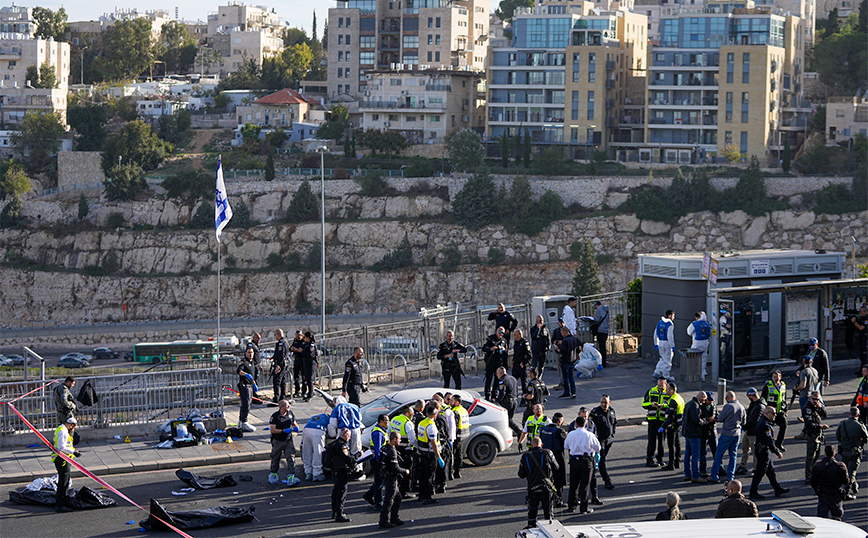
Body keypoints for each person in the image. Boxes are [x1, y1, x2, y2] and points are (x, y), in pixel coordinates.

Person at [749, 406, 790, 500]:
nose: (775, 415)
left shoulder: (764, 422)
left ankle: (777, 489)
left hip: (763, 450)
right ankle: (753, 492)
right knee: (759, 473)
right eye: (773, 413)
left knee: (771, 471)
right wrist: (777, 452)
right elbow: (769, 441)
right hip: (763, 452)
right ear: (767, 413)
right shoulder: (765, 425)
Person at [518, 436, 559, 529]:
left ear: (531, 445)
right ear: (542, 444)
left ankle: (531, 528)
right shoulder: (548, 453)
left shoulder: (525, 456)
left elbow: (521, 474)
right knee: (548, 512)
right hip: (546, 488)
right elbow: (556, 467)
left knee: (532, 511)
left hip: (532, 488)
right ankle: (549, 529)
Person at [564, 415, 600, 514]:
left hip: (574, 461)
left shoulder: (571, 434)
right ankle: (584, 508)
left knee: (573, 484)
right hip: (586, 461)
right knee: (585, 485)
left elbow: (566, 446)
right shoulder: (589, 435)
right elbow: (597, 448)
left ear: (576, 424)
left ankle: (572, 506)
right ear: (585, 424)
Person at [710, 391, 745, 484]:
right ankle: (730, 476)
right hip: (737, 433)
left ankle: (714, 475)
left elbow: (720, 418)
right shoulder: (741, 407)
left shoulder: (728, 406)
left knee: (719, 454)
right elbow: (744, 421)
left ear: (728, 398)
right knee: (733, 455)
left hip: (727, 434)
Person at [379, 431, 409, 529]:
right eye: (399, 439)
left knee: (398, 497)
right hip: (391, 478)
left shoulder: (384, 448)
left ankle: (394, 518)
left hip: (386, 475)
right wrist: (405, 471)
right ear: (395, 439)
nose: (400, 441)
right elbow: (395, 468)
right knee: (389, 500)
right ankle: (383, 520)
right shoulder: (392, 451)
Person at [836, 407, 867, 500]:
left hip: (844, 451)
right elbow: (866, 439)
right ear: (858, 415)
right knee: (851, 473)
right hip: (854, 452)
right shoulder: (860, 425)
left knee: (846, 471)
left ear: (849, 414)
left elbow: (838, 436)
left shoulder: (843, 424)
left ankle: (853, 486)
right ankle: (846, 492)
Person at [811, 445, 849, 520]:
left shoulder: (817, 466)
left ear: (825, 453)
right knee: (837, 518)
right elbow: (846, 481)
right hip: (835, 495)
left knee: (822, 519)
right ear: (834, 453)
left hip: (823, 494)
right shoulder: (840, 466)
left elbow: (812, 482)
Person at [52, 417, 81, 513]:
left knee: (65, 481)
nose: (73, 429)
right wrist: (74, 452)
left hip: (63, 459)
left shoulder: (61, 429)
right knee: (63, 483)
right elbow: (61, 447)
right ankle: (60, 505)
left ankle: (62, 502)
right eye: (74, 427)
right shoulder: (63, 431)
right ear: (71, 425)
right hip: (62, 460)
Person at [735, 388, 766, 476]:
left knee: (755, 452)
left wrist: (743, 426)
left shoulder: (760, 406)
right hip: (749, 431)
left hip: (754, 432)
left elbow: (754, 420)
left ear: (751, 396)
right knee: (745, 449)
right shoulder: (754, 404)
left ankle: (756, 469)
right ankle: (743, 465)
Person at [268, 399, 299, 486]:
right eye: (287, 405)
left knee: (291, 457)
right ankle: (273, 474)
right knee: (275, 457)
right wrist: (283, 430)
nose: (289, 406)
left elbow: (294, 423)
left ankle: (291, 476)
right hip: (278, 441)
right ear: (281, 407)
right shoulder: (275, 416)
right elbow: (273, 429)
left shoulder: (290, 414)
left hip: (288, 440)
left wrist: (296, 427)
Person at [416, 405, 443, 505]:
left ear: (427, 414)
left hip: (422, 452)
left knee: (422, 474)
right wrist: (438, 457)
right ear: (435, 415)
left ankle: (421, 495)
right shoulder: (431, 426)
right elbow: (433, 443)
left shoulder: (422, 423)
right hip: (430, 454)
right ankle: (428, 497)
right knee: (429, 476)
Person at [389, 406, 417, 497]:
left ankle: (397, 490)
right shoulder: (407, 423)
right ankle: (403, 492)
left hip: (395, 449)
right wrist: (417, 447)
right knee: (405, 471)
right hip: (406, 450)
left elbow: (389, 432)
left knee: (397, 471)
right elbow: (412, 439)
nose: (413, 416)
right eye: (412, 414)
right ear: (407, 413)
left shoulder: (394, 419)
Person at [540, 412, 567, 506]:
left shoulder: (544, 429)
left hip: (545, 455)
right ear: (559, 421)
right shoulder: (559, 431)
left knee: (547, 478)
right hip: (557, 456)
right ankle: (558, 500)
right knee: (559, 479)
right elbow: (566, 444)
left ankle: (547, 499)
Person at [590, 395, 616, 489]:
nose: (603, 404)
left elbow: (614, 423)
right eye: (602, 402)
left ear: (609, 402)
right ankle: (607, 481)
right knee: (602, 461)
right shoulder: (595, 412)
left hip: (609, 440)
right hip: (600, 440)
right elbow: (590, 426)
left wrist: (612, 435)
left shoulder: (612, 411)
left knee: (602, 459)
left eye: (605, 402)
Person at [642, 377, 670, 468]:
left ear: (666, 384)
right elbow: (644, 404)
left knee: (661, 441)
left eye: (662, 386)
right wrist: (651, 404)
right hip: (652, 420)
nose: (660, 387)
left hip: (662, 420)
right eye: (659, 385)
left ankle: (660, 459)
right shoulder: (651, 391)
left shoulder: (668, 392)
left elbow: (671, 405)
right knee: (652, 441)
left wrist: (663, 406)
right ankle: (649, 459)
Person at [802, 390, 829, 484]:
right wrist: (820, 426)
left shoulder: (817, 406)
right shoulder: (807, 408)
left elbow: (825, 415)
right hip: (811, 434)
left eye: (817, 399)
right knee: (810, 456)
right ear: (810, 398)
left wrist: (821, 408)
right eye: (814, 399)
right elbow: (809, 423)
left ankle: (812, 472)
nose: (815, 401)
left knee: (817, 455)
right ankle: (808, 476)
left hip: (818, 433)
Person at [682, 391, 708, 484]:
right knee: (695, 456)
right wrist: (704, 422)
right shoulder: (695, 405)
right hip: (694, 433)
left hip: (687, 433)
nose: (704, 401)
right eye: (704, 399)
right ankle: (695, 476)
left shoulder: (689, 403)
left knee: (687, 454)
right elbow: (696, 419)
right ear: (701, 397)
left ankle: (687, 474)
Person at [364, 414, 389, 510]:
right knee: (379, 481)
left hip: (378, 459)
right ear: (381, 421)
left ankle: (369, 494)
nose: (388, 422)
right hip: (377, 460)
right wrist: (381, 462)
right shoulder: (378, 433)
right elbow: (378, 450)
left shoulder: (381, 431)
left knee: (379, 480)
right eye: (386, 421)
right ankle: (378, 503)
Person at [330, 428, 356, 522]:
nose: (349, 438)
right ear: (344, 435)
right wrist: (356, 457)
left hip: (335, 470)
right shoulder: (342, 445)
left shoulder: (334, 443)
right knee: (341, 492)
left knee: (336, 491)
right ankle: (339, 513)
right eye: (349, 436)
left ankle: (334, 511)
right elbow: (347, 458)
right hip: (341, 470)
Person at [761, 370, 789, 451]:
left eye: (777, 377)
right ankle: (766, 445)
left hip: (780, 411)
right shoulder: (768, 385)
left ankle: (778, 444)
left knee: (784, 425)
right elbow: (763, 397)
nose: (776, 378)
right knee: (768, 429)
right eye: (774, 377)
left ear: (780, 377)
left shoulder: (783, 385)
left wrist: (785, 408)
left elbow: (784, 397)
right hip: (770, 412)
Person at [660, 382, 684, 471]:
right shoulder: (679, 398)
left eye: (667, 389)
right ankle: (677, 462)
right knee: (677, 444)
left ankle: (671, 464)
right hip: (678, 425)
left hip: (672, 426)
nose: (666, 390)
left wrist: (663, 426)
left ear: (672, 390)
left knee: (671, 445)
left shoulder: (673, 400)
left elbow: (671, 416)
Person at [482, 327, 509, 400]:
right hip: (490, 361)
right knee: (489, 379)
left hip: (499, 362)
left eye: (502, 333)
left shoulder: (504, 341)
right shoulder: (490, 339)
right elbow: (484, 348)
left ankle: (494, 395)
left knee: (497, 379)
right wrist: (491, 349)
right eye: (500, 332)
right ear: (497, 331)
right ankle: (487, 396)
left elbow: (506, 351)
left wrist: (504, 349)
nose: (501, 334)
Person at [301, 411, 329, 482]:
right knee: (318, 452)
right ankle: (317, 473)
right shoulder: (328, 419)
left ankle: (308, 472)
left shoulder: (316, 416)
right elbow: (332, 432)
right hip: (318, 431)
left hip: (306, 430)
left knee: (307, 451)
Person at [495, 367, 522, 438]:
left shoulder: (502, 381)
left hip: (507, 403)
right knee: (510, 418)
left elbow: (502, 393)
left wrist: (497, 401)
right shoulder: (513, 378)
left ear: (500, 373)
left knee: (507, 419)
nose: (497, 375)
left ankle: (518, 431)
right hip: (514, 401)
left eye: (497, 373)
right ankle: (513, 431)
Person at [555, 327, 580, 399]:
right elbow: (579, 348)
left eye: (562, 333)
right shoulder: (575, 338)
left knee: (565, 377)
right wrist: (577, 356)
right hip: (572, 360)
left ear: (565, 332)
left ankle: (566, 392)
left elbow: (563, 351)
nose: (562, 334)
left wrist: (558, 349)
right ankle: (573, 391)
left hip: (565, 361)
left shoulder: (565, 341)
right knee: (571, 376)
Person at [687, 311, 712, 380]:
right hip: (705, 343)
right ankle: (702, 374)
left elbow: (689, 332)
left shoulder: (695, 323)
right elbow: (710, 334)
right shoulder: (708, 324)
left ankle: (694, 373)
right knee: (703, 358)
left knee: (694, 358)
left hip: (697, 343)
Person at [237, 347, 257, 433]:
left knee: (248, 403)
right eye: (249, 352)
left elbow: (253, 376)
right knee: (246, 404)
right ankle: (244, 422)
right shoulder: (244, 362)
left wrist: (254, 384)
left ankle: (241, 421)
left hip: (250, 385)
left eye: (252, 352)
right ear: (245, 353)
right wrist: (246, 374)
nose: (251, 354)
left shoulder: (252, 363)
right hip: (245, 386)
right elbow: (238, 371)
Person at [450, 394, 469, 479]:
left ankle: (453, 471)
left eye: (452, 401)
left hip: (457, 436)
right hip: (464, 435)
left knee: (453, 454)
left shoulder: (455, 412)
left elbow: (454, 426)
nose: (450, 402)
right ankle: (458, 471)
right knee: (459, 454)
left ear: (457, 402)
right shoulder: (464, 410)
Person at [653, 310, 676, 380]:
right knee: (668, 360)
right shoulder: (670, 324)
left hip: (660, 342)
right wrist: (672, 345)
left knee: (662, 358)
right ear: (670, 315)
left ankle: (657, 372)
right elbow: (670, 336)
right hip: (667, 343)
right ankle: (666, 376)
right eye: (673, 316)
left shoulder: (660, 323)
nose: (674, 317)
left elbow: (655, 334)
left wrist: (656, 343)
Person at [530, 314, 551, 379]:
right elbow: (534, 337)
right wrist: (538, 329)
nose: (540, 322)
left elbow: (548, 339)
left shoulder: (545, 329)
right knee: (534, 366)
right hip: (536, 351)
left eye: (541, 321)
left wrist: (548, 348)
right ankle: (533, 378)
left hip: (543, 351)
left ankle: (539, 378)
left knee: (541, 366)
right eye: (538, 321)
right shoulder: (533, 329)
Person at [271, 329, 290, 403]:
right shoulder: (285, 341)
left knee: (277, 381)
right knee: (283, 381)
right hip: (284, 364)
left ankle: (276, 398)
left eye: (275, 335)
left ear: (278, 335)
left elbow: (281, 355)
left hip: (280, 365)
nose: (275, 337)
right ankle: (282, 396)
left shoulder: (280, 343)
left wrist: (278, 365)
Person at [513, 329, 532, 395]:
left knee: (524, 382)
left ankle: (525, 398)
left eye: (515, 335)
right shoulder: (516, 342)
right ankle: (514, 395)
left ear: (519, 335)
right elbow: (515, 353)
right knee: (513, 381)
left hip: (522, 366)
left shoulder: (525, 342)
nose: (514, 336)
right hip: (516, 364)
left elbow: (529, 356)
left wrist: (524, 363)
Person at [300, 332, 318, 402]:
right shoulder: (306, 344)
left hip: (311, 363)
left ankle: (310, 394)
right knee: (307, 379)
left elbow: (311, 354)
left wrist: (302, 351)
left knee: (310, 379)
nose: (304, 338)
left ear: (308, 337)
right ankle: (309, 393)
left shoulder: (311, 344)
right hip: (306, 363)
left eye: (305, 337)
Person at [850, 306, 868, 374]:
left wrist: (854, 322)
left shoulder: (866, 319)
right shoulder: (862, 318)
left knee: (865, 356)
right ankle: (862, 370)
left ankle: (865, 372)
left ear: (865, 312)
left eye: (861, 312)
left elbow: (861, 327)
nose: (860, 313)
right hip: (861, 339)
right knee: (862, 356)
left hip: (865, 340)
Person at [246, 333, 264, 401]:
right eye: (258, 338)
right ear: (254, 338)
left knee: (255, 380)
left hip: (256, 366)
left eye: (260, 338)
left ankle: (254, 394)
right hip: (252, 366)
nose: (259, 340)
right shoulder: (251, 345)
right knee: (253, 381)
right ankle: (253, 395)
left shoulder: (256, 345)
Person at [592, 301, 610, 368]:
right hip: (605, 330)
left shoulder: (599, 310)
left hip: (600, 330)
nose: (595, 308)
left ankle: (602, 362)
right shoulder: (607, 310)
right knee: (603, 347)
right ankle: (604, 361)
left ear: (597, 305)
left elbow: (597, 320)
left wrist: (594, 317)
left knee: (601, 347)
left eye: (595, 306)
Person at [289, 330, 305, 399]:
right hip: (296, 360)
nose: (297, 338)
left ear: (301, 335)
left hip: (303, 360)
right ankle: (297, 391)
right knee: (296, 377)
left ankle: (304, 391)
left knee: (303, 377)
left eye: (299, 337)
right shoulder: (295, 340)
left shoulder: (304, 341)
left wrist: (298, 350)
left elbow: (303, 350)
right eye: (296, 337)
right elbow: (291, 347)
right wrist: (292, 349)